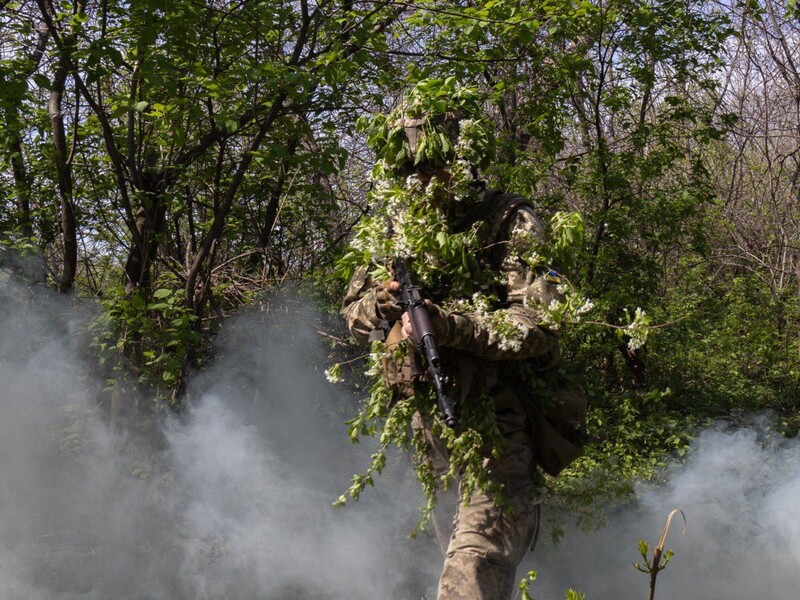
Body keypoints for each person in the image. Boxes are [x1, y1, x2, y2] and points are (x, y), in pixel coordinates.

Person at [341, 100, 563, 599]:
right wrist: (381, 303)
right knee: (456, 560)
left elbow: (541, 324)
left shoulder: (508, 221)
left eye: (430, 165)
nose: (419, 180)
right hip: (433, 429)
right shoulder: (393, 228)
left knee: (473, 568)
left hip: (500, 424)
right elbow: (352, 312)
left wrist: (454, 327)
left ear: (460, 160)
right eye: (408, 168)